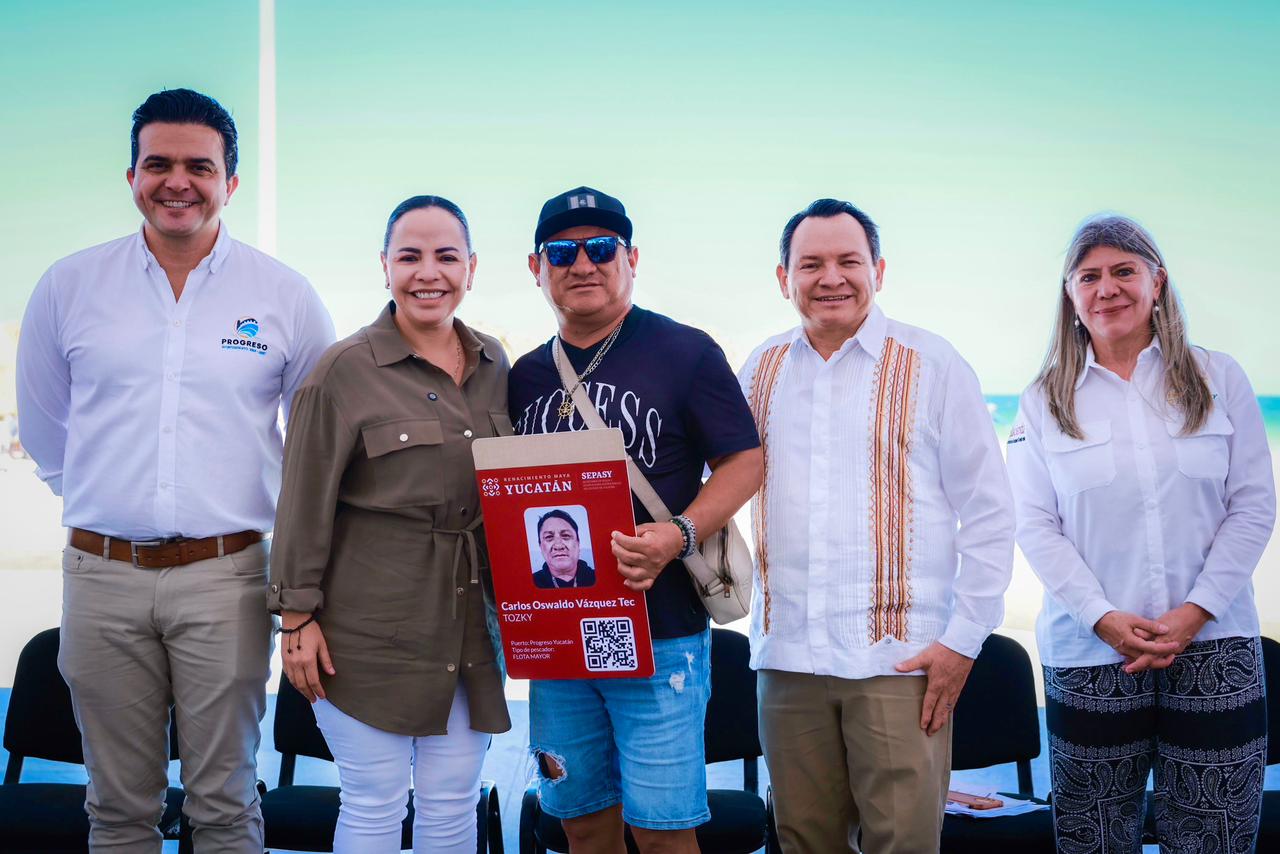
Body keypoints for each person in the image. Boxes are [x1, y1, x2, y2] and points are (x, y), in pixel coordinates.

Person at [15, 88, 334, 851]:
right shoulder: (69, 285)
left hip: (229, 578)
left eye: (200, 166)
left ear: (231, 181)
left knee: (225, 803)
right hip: (101, 577)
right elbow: (47, 430)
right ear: (132, 176)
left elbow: (317, 445)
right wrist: (115, 510)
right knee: (116, 808)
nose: (177, 181)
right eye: (158, 164)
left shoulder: (284, 295)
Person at [737, 199, 1015, 853]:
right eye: (811, 263)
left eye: (849, 261)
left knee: (904, 844)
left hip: (900, 661)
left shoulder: (932, 363)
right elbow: (714, 481)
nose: (831, 277)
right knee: (803, 842)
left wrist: (963, 641)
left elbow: (989, 511)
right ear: (783, 278)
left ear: (878, 271)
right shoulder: (759, 369)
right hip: (788, 658)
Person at [1007, 215, 1273, 853]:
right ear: (1070, 295)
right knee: (1094, 838)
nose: (1107, 288)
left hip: (1215, 644)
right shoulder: (1043, 400)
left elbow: (1253, 506)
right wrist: (1101, 617)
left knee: (1214, 839)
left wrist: (1195, 611)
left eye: (1124, 271)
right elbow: (1034, 524)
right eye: (1089, 276)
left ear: (1158, 282)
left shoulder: (1219, 377)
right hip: (1090, 652)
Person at [509, 186, 763, 853]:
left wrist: (679, 533)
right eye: (561, 252)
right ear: (536, 267)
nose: (582, 264)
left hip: (662, 634)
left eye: (601, 248)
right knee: (580, 824)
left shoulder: (685, 351)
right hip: (559, 641)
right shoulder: (525, 376)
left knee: (663, 833)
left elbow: (745, 461)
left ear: (632, 258)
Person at [267, 195, 511, 853]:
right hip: (365, 637)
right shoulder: (340, 372)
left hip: (468, 631)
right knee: (374, 803)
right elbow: (301, 504)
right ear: (385, 267)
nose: (428, 273)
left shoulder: (496, 365)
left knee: (453, 802)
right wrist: (295, 620)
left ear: (471, 268)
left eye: (446, 256)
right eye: (410, 257)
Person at [533, 508, 596, 589]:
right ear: (540, 546)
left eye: (566, 535)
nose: (558, 546)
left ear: (578, 543)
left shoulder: (601, 578)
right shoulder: (527, 583)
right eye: (549, 537)